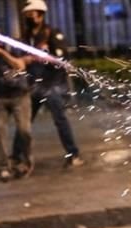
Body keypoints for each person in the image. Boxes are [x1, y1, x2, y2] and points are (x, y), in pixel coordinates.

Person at [19, 0, 83, 168]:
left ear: (40, 15)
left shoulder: (52, 33)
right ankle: (17, 156)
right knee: (24, 122)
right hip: (33, 85)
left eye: (31, 14)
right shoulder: (26, 37)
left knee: (60, 120)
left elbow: (64, 59)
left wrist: (45, 58)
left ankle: (73, 154)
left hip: (52, 85)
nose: (28, 18)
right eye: (26, 15)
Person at [0, 37, 33, 181]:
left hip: (20, 95)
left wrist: (2, 53)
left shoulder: (15, 48)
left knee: (24, 131)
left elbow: (20, 66)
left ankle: (26, 162)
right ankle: (4, 166)